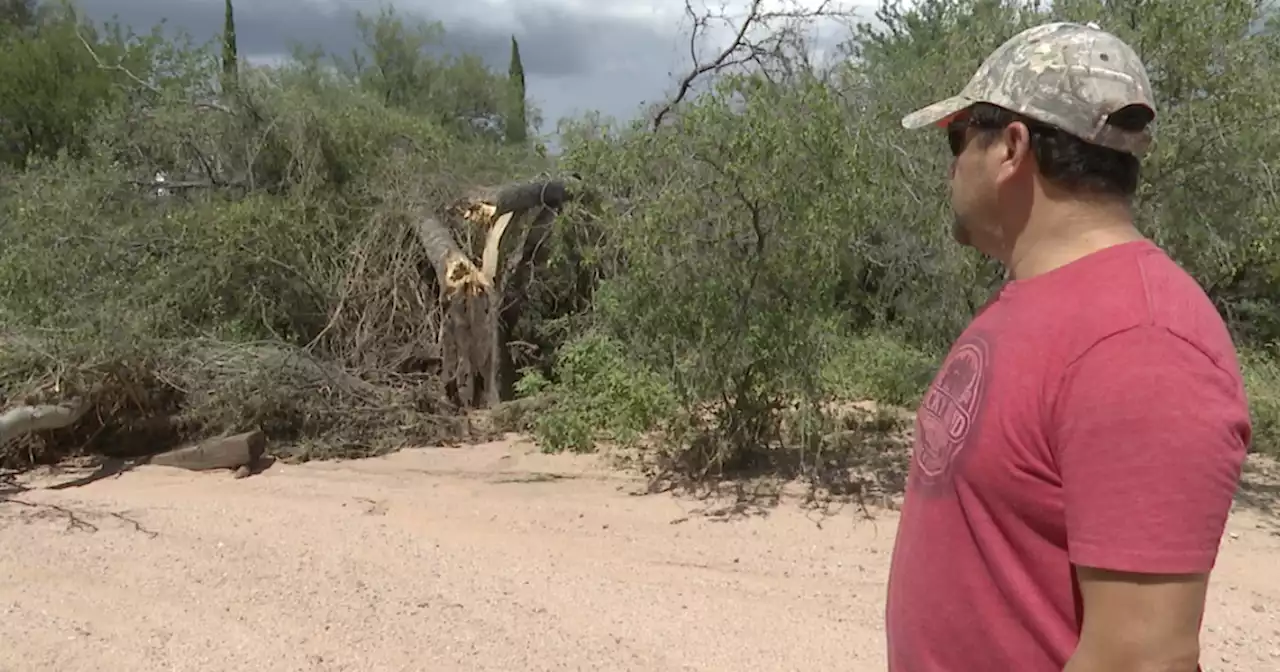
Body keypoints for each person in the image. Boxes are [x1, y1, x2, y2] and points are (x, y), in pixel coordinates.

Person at [884, 21, 1251, 672]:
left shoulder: (1142, 345)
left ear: (1011, 148)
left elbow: (1143, 658)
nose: (952, 165)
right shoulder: (1038, 298)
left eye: (958, 138)